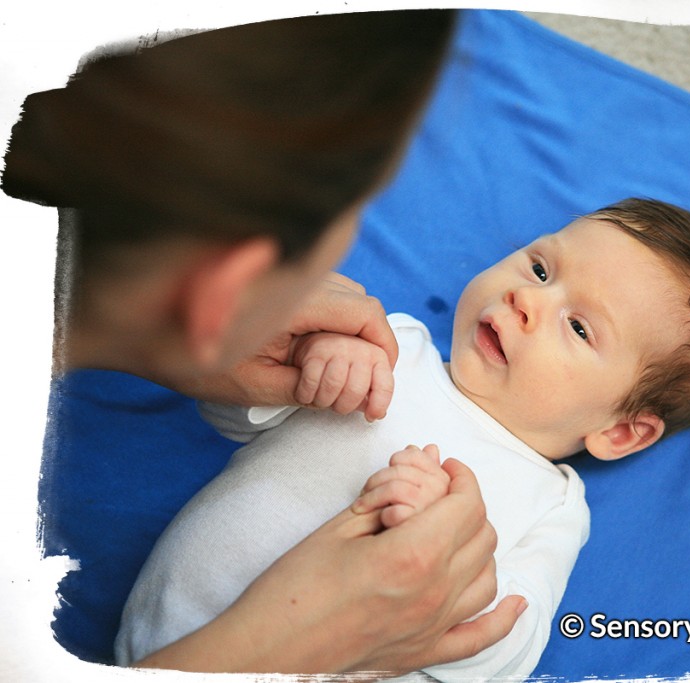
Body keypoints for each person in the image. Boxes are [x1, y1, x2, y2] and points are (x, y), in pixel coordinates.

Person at [2, 11, 527, 675]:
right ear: (224, 292)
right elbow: (256, 418)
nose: (528, 306)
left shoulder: (552, 500)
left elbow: (509, 623)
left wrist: (158, 338)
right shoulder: (408, 349)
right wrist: (285, 646)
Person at [114, 198, 690, 679]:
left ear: (620, 429)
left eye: (581, 328)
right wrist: (313, 372)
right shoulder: (393, 346)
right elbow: (233, 414)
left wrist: (457, 561)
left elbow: (510, 646)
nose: (526, 300)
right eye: (540, 268)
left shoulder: (553, 503)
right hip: (166, 632)